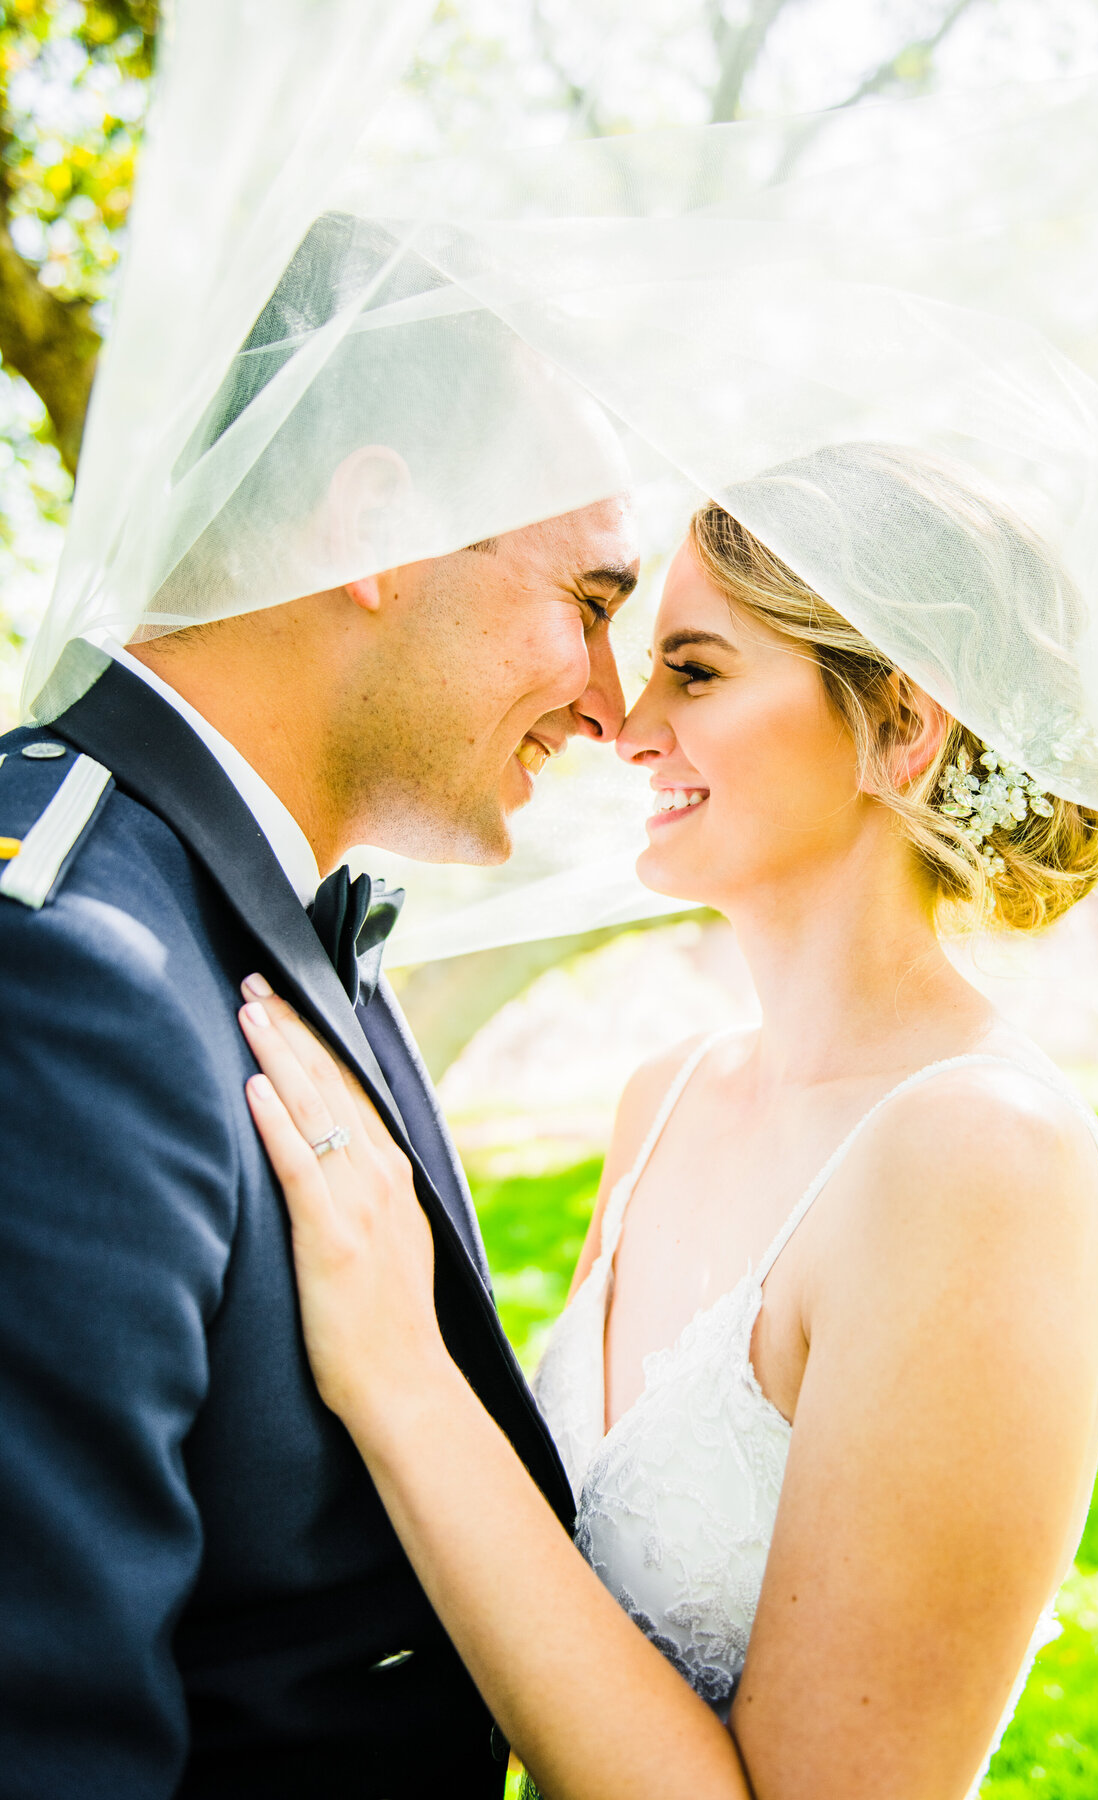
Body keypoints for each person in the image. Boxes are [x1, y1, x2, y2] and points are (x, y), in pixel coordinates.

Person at [237, 448, 1098, 1800]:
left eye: (696, 673)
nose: (624, 721)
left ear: (905, 727)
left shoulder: (980, 1155)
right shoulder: (667, 1096)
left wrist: (401, 1379)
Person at [0, 221, 639, 1796]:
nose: (613, 702)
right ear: (379, 529)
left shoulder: (239, 901)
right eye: (590, 599)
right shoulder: (65, 953)